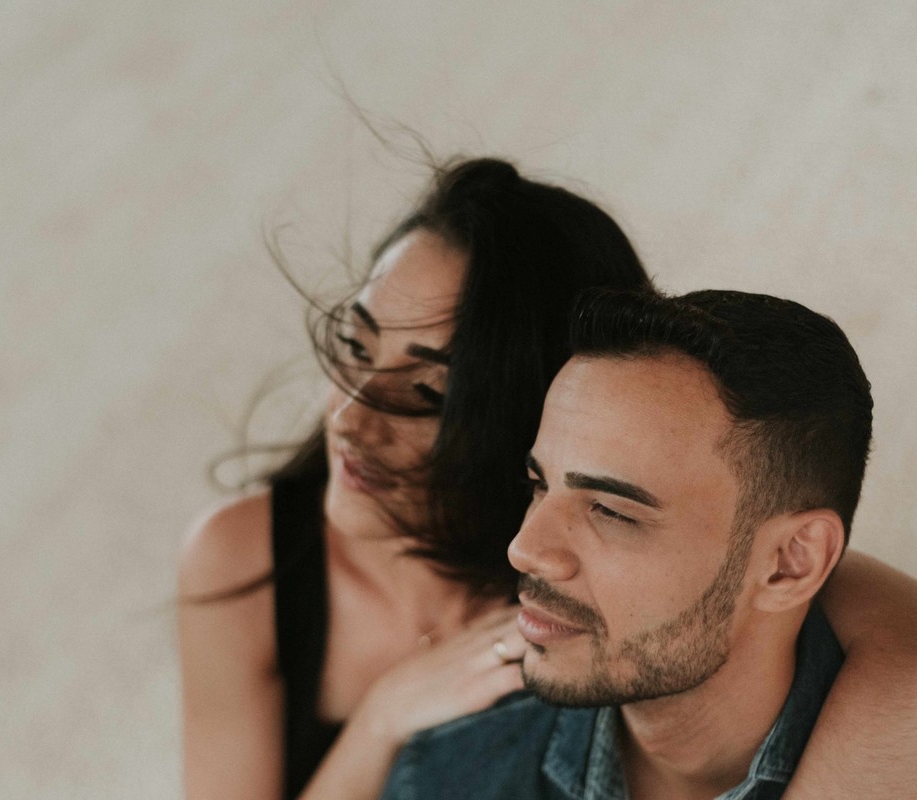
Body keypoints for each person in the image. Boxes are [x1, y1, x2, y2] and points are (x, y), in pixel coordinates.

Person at [178, 158, 917, 800]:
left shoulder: (621, 579)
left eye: (430, 396)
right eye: (354, 344)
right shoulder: (252, 558)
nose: (348, 419)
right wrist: (380, 721)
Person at [380, 288, 903, 799]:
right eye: (539, 485)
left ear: (791, 563)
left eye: (610, 510)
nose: (525, 549)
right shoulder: (448, 778)